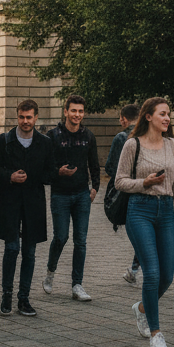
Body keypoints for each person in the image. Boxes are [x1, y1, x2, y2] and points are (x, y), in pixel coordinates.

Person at [114, 96, 174, 347]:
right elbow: (119, 181)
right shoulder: (132, 144)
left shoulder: (172, 145)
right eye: (162, 114)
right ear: (148, 116)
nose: (167, 118)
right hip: (140, 210)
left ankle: (143, 308)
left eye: (169, 114)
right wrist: (143, 183)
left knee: (167, 276)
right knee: (153, 273)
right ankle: (156, 333)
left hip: (166, 212)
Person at [0, 99, 56, 317]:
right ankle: (6, 294)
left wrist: (36, 176)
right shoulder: (4, 141)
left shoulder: (45, 142)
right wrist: (9, 176)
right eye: (21, 117)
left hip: (34, 202)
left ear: (36, 117)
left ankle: (23, 298)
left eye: (29, 117)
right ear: (16, 116)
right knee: (11, 249)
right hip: (10, 201)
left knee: (30, 251)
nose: (25, 121)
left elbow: (50, 171)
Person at [43, 95, 101, 301]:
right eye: (73, 111)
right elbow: (46, 168)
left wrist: (95, 187)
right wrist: (58, 173)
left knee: (81, 241)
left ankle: (77, 284)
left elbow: (94, 164)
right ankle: (50, 272)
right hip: (60, 194)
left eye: (81, 111)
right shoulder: (53, 136)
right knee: (61, 236)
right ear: (65, 111)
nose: (77, 115)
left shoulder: (89, 136)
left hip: (82, 194)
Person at [105, 104, 141, 284]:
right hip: (146, 190)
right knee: (143, 232)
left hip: (127, 193)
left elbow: (111, 167)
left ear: (123, 119)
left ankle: (136, 270)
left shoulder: (122, 137)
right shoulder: (150, 135)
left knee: (139, 235)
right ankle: (134, 269)